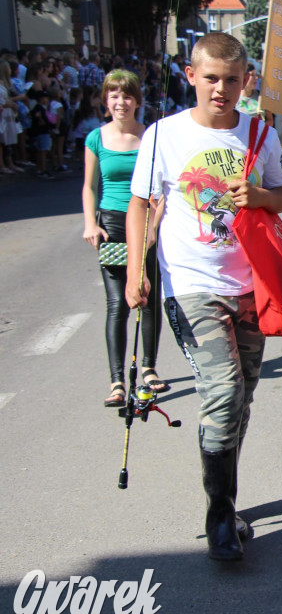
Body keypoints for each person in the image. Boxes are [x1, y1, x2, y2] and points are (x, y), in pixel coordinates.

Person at [125, 32, 282, 561]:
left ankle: (228, 501)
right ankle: (219, 516)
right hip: (190, 284)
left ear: (246, 79)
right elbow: (140, 204)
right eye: (210, 79)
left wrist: (263, 197)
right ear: (191, 76)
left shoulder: (261, 133)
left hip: (250, 284)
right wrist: (136, 269)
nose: (220, 90)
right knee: (223, 392)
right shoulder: (164, 135)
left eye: (231, 79)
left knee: (241, 399)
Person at [82, 70, 166, 407]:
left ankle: (148, 368)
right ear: (106, 101)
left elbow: (161, 191)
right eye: (114, 95)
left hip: (147, 222)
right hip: (113, 226)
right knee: (117, 303)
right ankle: (117, 379)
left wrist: (155, 228)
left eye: (127, 95)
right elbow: (89, 187)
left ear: (137, 101)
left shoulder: (150, 138)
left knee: (148, 297)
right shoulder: (95, 139)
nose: (121, 102)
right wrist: (91, 223)